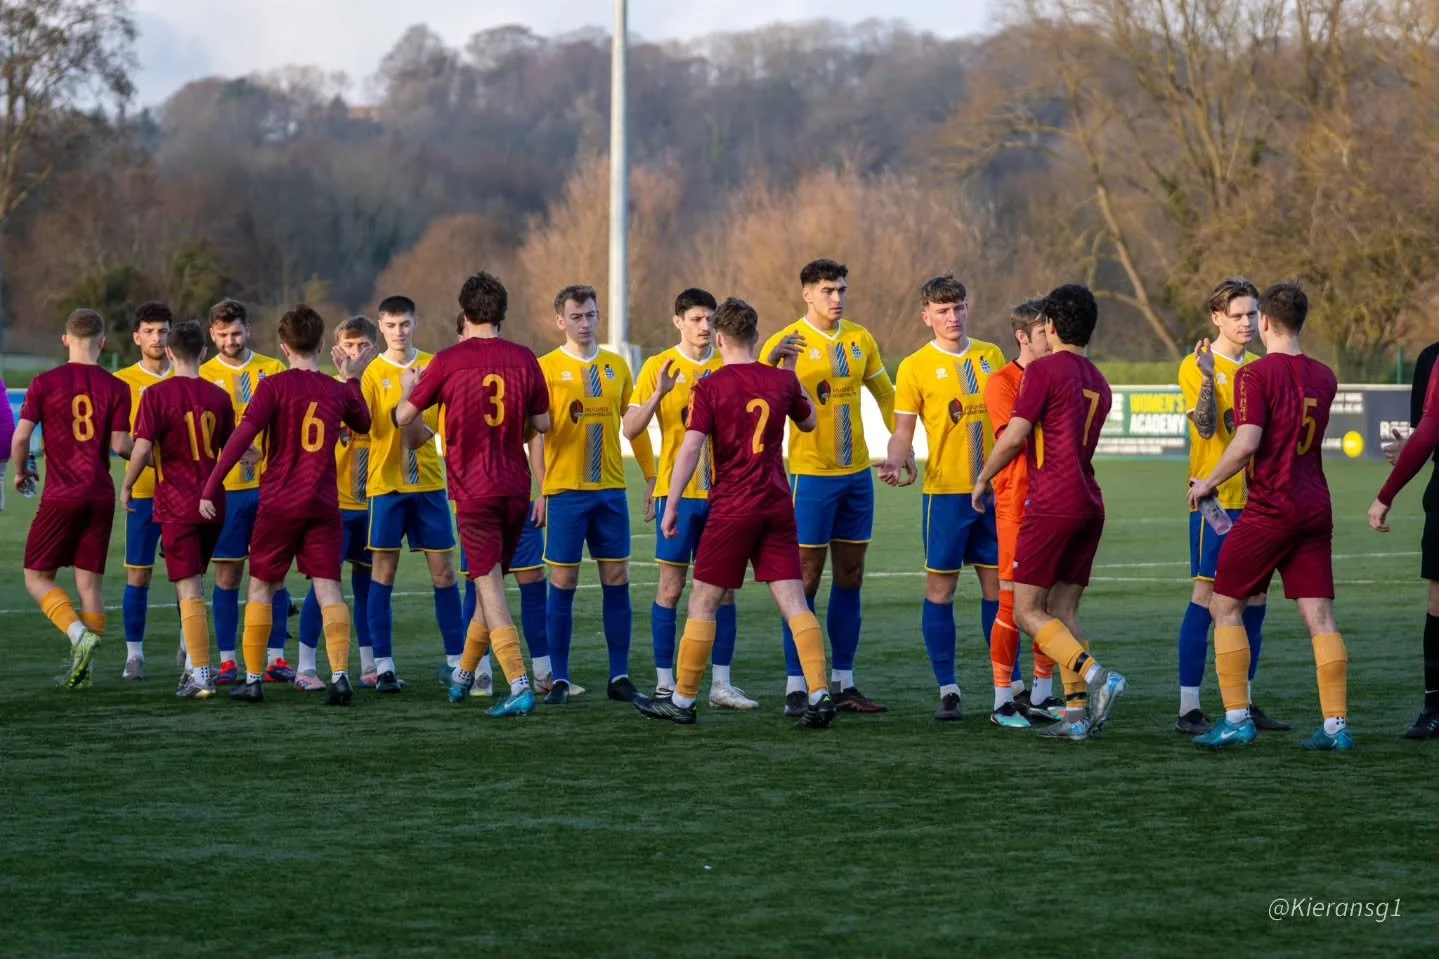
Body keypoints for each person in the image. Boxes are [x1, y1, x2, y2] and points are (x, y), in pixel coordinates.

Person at [634, 297, 835, 728]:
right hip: (777, 504)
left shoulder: (709, 387)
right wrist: (790, 373)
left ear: (721, 338)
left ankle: (682, 701)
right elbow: (811, 422)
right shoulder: (779, 382)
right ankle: (819, 693)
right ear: (758, 336)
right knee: (795, 602)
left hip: (731, 507)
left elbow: (690, 448)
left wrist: (670, 503)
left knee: (703, 601)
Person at [1189, 282, 1351, 750]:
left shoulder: (1254, 376)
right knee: (1320, 616)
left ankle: (1237, 718)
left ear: (1263, 323)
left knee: (1224, 604)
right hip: (1315, 507)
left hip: (1270, 508)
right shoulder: (1325, 376)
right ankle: (1336, 726)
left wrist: (1208, 483)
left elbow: (1247, 442)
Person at [972, 284, 1127, 741]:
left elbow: (1017, 434)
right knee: (1065, 611)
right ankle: (1077, 717)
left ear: (1052, 327)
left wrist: (983, 478)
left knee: (1026, 610)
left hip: (1052, 503)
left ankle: (1097, 676)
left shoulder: (1043, 371)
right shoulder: (1098, 379)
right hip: (1089, 502)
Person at [201, 305, 375, 705]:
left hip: (279, 502)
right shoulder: (335, 389)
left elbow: (241, 438)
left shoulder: (274, 387)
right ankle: (341, 676)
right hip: (322, 504)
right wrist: (351, 379)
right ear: (321, 343)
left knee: (261, 586)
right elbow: (363, 423)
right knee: (330, 588)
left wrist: (212, 486)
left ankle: (253, 678)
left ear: (283, 347)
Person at [761, 259, 912, 715]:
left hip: (857, 477)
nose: (837, 298)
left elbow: (887, 395)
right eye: (828, 290)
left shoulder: (859, 338)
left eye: (842, 289)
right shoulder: (783, 343)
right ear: (807, 293)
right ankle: (798, 684)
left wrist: (899, 445)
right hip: (810, 478)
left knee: (851, 576)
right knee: (803, 580)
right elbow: (761, 405)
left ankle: (844, 682)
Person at [395, 271, 550, 717]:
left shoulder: (447, 361)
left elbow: (405, 415)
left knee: (489, 586)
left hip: (474, 490)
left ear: (464, 314)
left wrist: (410, 391)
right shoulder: (525, 359)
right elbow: (542, 425)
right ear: (502, 314)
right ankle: (464, 673)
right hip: (515, 487)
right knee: (492, 580)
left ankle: (518, 683)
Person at [880, 275, 1010, 723]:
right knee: (942, 588)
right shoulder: (914, 366)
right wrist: (897, 460)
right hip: (946, 495)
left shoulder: (991, 355)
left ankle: (1004, 687)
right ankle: (949, 688)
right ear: (926, 316)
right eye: (942, 311)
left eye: (958, 308)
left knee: (998, 590)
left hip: (995, 494)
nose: (952, 317)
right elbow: (902, 431)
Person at [623, 288, 757, 709]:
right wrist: (659, 393)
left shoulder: (728, 365)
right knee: (670, 587)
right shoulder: (656, 367)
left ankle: (721, 685)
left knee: (725, 591)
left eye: (710, 319)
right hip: (677, 495)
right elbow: (630, 428)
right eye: (696, 319)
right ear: (678, 321)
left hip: (723, 496)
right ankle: (666, 682)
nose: (705, 326)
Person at [534, 284, 658, 705]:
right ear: (560, 321)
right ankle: (561, 678)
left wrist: (651, 476)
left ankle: (619, 676)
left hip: (609, 490)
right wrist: (542, 488)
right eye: (576, 317)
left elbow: (633, 426)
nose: (585, 324)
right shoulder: (545, 368)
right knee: (563, 580)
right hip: (566, 491)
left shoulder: (616, 366)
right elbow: (533, 435)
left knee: (617, 578)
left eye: (591, 315)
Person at [1175, 278, 1288, 735]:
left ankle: (1244, 699)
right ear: (1216, 318)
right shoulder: (1196, 365)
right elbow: (1205, 429)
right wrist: (1206, 378)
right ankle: (1188, 707)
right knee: (1206, 597)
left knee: (1256, 600)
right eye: (1237, 315)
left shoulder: (1263, 367)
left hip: (1259, 503)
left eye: (1251, 314)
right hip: (1215, 503)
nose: (1246, 323)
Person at [10, 309, 132, 687]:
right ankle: (86, 672)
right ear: (103, 343)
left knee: (36, 576)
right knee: (90, 585)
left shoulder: (45, 382)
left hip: (62, 493)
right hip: (100, 494)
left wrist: (20, 472)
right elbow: (120, 446)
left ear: (65, 340)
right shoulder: (117, 387)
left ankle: (78, 635)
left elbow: (19, 439)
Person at [120, 320, 234, 699]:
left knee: (189, 589)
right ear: (204, 352)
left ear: (170, 352)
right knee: (198, 582)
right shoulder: (220, 398)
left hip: (178, 503)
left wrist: (126, 485)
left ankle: (200, 672)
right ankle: (193, 666)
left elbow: (139, 449)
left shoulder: (156, 395)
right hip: (214, 502)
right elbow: (232, 449)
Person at [361, 295, 465, 693]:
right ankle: (384, 666)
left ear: (414, 324)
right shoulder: (372, 374)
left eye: (404, 324)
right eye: (390, 325)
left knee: (444, 572)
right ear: (381, 327)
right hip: (386, 486)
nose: (398, 332)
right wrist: (405, 396)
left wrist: (411, 400)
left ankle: (458, 661)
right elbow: (365, 429)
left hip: (428, 485)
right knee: (383, 573)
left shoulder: (435, 367)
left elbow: (420, 437)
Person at [200, 299, 294, 685]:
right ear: (211, 334)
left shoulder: (271, 369)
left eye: (236, 333)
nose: (230, 340)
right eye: (222, 335)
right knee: (227, 575)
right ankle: (226, 661)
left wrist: (266, 451)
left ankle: (275, 658)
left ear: (248, 330)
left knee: (275, 576)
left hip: (270, 488)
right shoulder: (203, 375)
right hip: (228, 491)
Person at [978, 299, 1062, 726]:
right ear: (1023, 337)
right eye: (1045, 331)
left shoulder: (1057, 375)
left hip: (1054, 504)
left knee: (1044, 602)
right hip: (1017, 504)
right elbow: (1013, 437)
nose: (1053, 337)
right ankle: (1001, 702)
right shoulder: (1003, 382)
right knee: (1011, 603)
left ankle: (1042, 695)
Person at [295, 317, 379, 692]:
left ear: (373, 348)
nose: (356, 353)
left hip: (373, 505)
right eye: (349, 346)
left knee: (366, 588)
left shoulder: (382, 386)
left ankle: (369, 664)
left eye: (363, 346)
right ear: (335, 349)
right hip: (333, 507)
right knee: (323, 587)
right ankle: (305, 666)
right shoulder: (328, 391)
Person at [1373, 337, 1439, 739]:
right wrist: (1408, 448)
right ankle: (1434, 705)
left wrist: (1384, 496)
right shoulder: (1431, 358)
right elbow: (1426, 432)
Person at [114, 301, 174, 680]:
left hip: (183, 497)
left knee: (188, 574)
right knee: (139, 574)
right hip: (144, 493)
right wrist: (169, 465)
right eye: (149, 331)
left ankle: (190, 648)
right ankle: (134, 655)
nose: (156, 338)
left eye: (163, 331)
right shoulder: (122, 382)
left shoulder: (187, 376)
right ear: (136, 337)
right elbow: (120, 443)